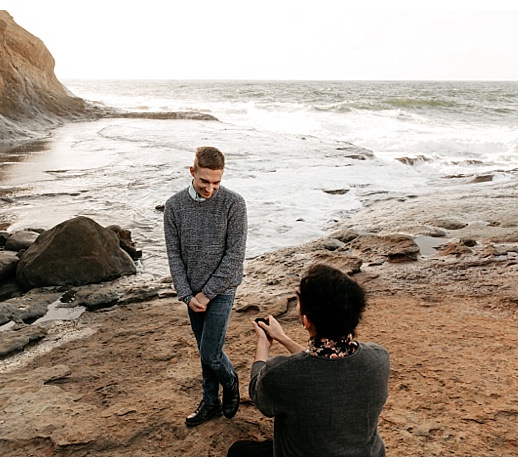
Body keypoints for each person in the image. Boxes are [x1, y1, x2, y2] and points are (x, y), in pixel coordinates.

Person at [228, 262, 390, 456]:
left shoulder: (281, 374)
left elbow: (258, 390)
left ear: (306, 321)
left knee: (238, 451)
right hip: (366, 454)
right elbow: (323, 359)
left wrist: (263, 345)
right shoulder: (379, 358)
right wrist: (283, 338)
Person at [163, 146, 248, 427]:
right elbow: (174, 255)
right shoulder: (174, 207)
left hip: (222, 290)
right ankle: (210, 402)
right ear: (192, 172)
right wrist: (187, 295)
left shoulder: (234, 204)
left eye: (217, 182)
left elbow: (235, 255)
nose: (210, 188)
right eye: (204, 182)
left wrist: (207, 293)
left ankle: (231, 382)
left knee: (211, 353)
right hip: (192, 295)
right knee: (205, 351)